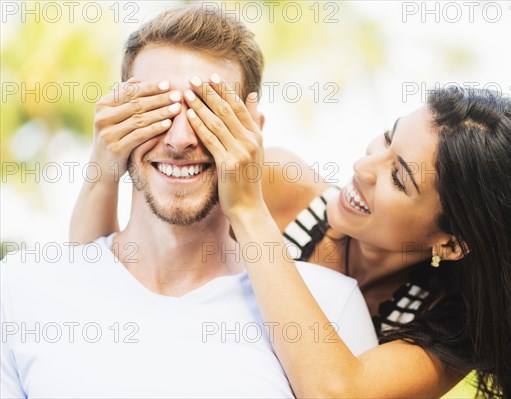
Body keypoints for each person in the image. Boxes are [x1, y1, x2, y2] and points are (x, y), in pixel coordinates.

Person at [71, 6, 511, 399]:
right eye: (386, 138)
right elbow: (100, 285)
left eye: (398, 177)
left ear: (452, 242)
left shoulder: (448, 324)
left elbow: (334, 392)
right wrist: (103, 171)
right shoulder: (279, 184)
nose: (363, 168)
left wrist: (247, 213)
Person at [0, 7, 379, 398]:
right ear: (116, 119)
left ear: (254, 131)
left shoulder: (331, 308)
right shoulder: (20, 288)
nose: (180, 139)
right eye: (157, 110)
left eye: (207, 112)